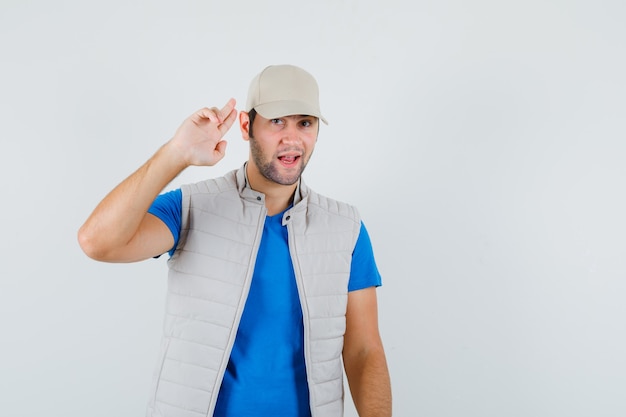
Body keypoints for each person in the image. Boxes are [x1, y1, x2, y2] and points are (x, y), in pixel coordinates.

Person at [78, 64, 391, 417]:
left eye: (304, 122)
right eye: (276, 122)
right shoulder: (191, 207)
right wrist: (176, 154)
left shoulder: (345, 229)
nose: (292, 139)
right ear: (246, 126)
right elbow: (97, 242)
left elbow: (364, 350)